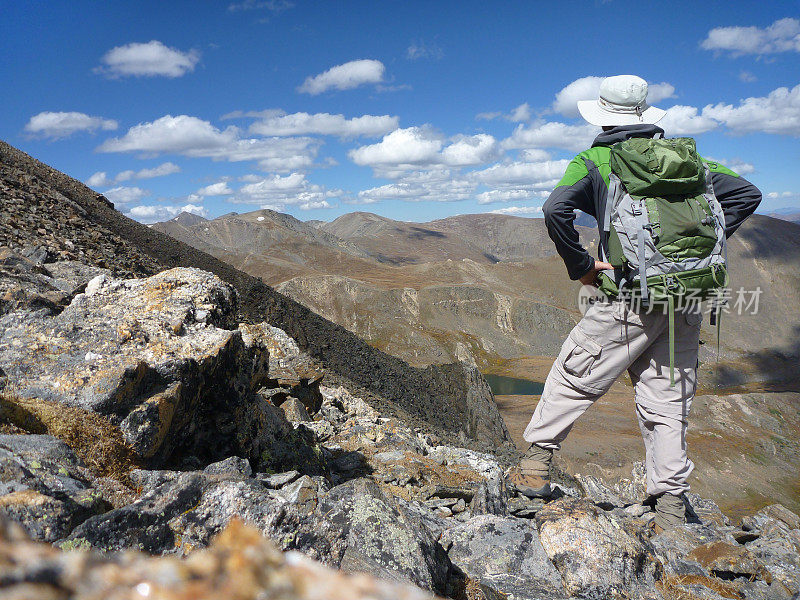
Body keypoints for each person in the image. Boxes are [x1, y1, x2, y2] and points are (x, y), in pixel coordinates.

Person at [508, 75, 761, 531]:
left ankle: (533, 473)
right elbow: (747, 193)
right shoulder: (690, 159)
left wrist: (582, 266)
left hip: (624, 301)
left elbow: (554, 210)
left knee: (574, 375)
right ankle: (668, 507)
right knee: (667, 401)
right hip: (684, 301)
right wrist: (693, 258)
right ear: (645, 115)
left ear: (602, 114)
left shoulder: (595, 159)